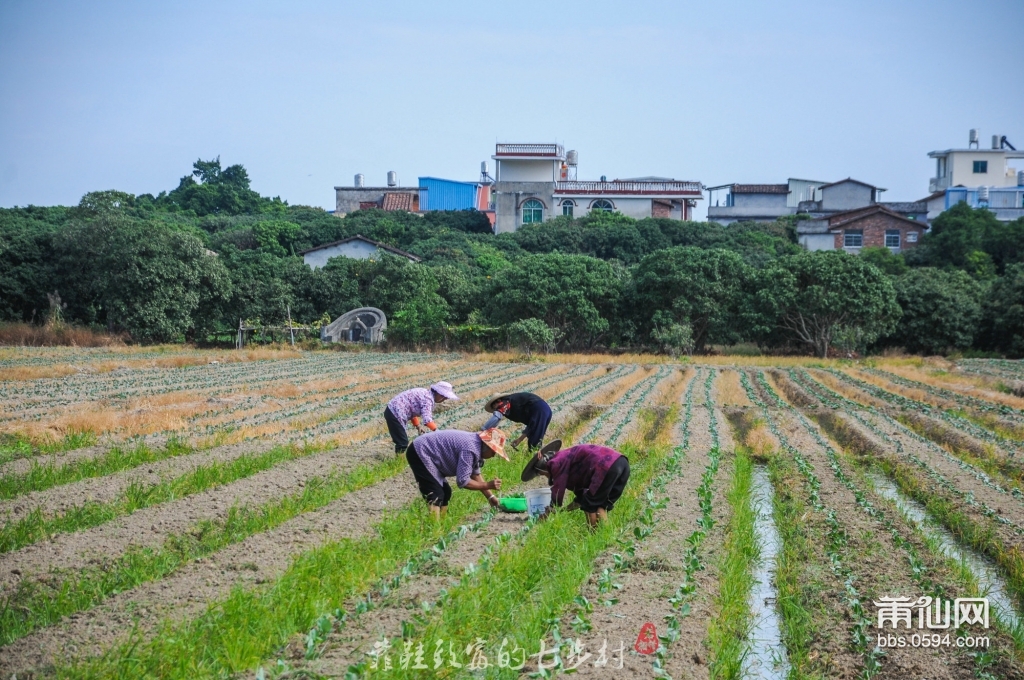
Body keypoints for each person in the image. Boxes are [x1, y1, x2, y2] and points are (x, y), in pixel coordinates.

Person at [520, 439, 630, 528]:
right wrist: (562, 511)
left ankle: (593, 534)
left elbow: (558, 490)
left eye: (542, 474)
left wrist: (550, 510)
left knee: (590, 505)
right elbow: (581, 498)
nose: (546, 476)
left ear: (545, 470)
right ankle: (605, 537)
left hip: (606, 466)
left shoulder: (555, 463)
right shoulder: (567, 463)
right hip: (622, 464)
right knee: (601, 505)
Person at [406, 428, 508, 519]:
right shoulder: (471, 448)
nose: (494, 455)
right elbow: (463, 481)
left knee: (446, 492)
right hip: (421, 451)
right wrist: (487, 485)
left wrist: (491, 498)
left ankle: (441, 524)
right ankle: (434, 530)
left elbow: (475, 474)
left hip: (428, 453)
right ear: (487, 446)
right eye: (494, 452)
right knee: (435, 493)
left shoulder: (477, 446)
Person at [384, 381, 459, 454]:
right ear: (438, 394)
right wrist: (437, 432)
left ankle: (399, 459)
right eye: (444, 398)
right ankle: (398, 461)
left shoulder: (425, 394)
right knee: (402, 442)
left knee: (401, 440)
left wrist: (418, 426)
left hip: (393, 411)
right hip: (394, 413)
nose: (443, 400)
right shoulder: (428, 399)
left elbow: (411, 411)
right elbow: (427, 420)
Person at [481, 392, 552, 450]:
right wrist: (519, 440)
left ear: (498, 401)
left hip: (540, 409)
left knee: (534, 444)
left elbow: (497, 417)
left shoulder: (504, 402)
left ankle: (537, 461)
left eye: (495, 407)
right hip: (545, 410)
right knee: (535, 438)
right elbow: (531, 426)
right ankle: (539, 460)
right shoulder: (508, 404)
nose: (496, 409)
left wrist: (482, 431)